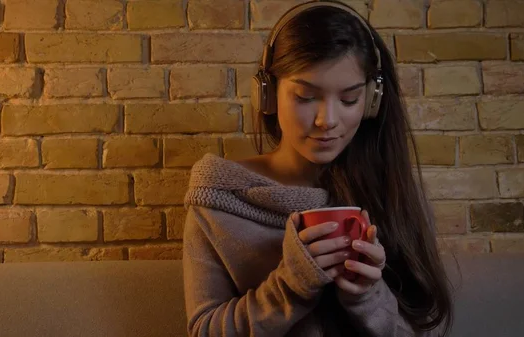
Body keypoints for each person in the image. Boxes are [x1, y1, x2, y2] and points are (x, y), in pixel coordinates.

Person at [182, 1, 454, 336]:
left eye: (349, 100)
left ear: (372, 101)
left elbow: (422, 330)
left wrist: (368, 296)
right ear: (266, 94)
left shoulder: (393, 194)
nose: (328, 120)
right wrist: (291, 285)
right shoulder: (217, 201)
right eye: (306, 97)